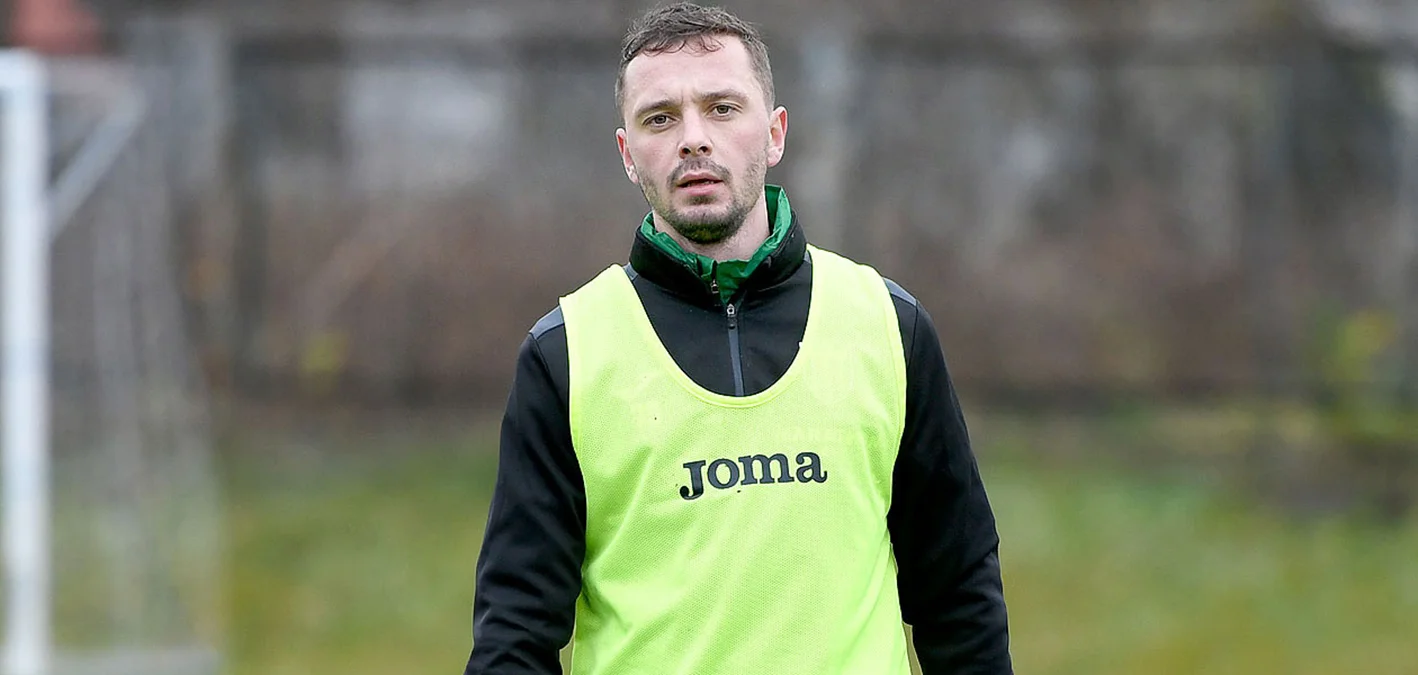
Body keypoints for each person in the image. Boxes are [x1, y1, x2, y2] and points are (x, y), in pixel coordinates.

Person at [463, 3, 1011, 673]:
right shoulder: (567, 353)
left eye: (722, 108)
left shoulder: (889, 327)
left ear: (774, 134)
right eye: (660, 118)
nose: (693, 139)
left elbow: (960, 596)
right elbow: (514, 634)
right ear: (628, 154)